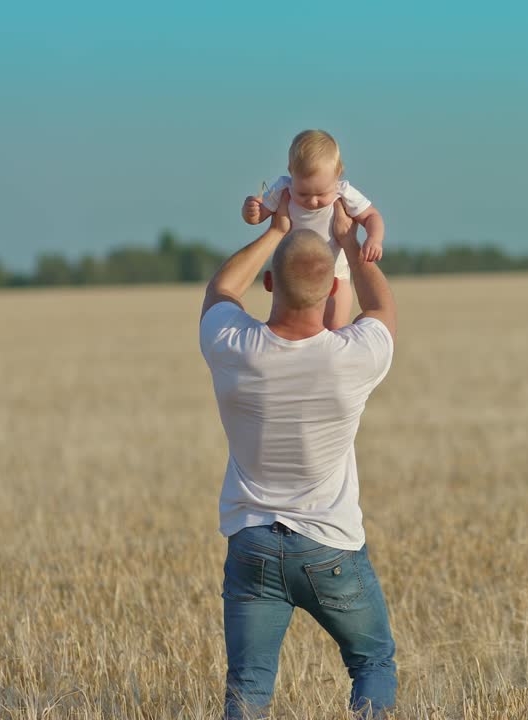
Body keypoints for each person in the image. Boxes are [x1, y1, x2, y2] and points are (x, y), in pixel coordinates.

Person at [201, 189, 399, 719]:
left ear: (270, 282)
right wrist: (350, 244)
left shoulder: (230, 345)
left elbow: (221, 288)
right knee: (373, 661)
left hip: (252, 544)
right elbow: (380, 307)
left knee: (248, 689)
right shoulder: (352, 359)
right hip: (331, 546)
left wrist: (273, 231)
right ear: (331, 288)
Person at [240, 129, 386, 330]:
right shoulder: (282, 189)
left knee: (335, 327)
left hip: (336, 275)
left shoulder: (344, 193)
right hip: (292, 278)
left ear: (338, 174)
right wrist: (251, 211)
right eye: (303, 193)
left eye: (321, 193)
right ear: (291, 172)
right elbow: (258, 217)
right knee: (290, 328)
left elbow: (372, 216)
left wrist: (374, 238)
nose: (313, 200)